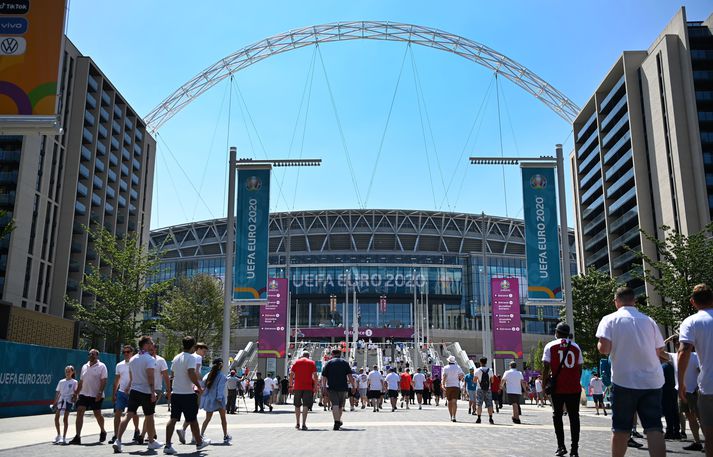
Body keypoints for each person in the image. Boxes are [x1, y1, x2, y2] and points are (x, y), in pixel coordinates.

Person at [597, 286, 666, 457]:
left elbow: (604, 349)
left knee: (621, 429)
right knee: (654, 428)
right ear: (634, 301)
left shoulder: (609, 319)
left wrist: (600, 344)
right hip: (652, 381)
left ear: (616, 302)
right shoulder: (649, 320)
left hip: (624, 381)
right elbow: (658, 351)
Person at [678, 283, 713, 457]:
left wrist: (681, 382)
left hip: (709, 386)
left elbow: (684, 351)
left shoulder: (691, 322)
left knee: (710, 439)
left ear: (693, 302)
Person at [112, 336, 162, 453]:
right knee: (149, 416)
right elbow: (150, 377)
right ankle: (151, 442)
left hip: (134, 391)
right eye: (150, 343)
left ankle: (118, 441)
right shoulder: (150, 359)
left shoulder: (133, 359)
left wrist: (131, 386)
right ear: (146, 344)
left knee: (128, 415)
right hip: (145, 391)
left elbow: (131, 376)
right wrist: (152, 392)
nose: (152, 344)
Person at [163, 336, 210, 454]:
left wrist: (171, 389)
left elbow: (172, 374)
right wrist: (199, 387)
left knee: (173, 419)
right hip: (188, 393)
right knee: (192, 419)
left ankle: (168, 445)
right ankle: (199, 443)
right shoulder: (191, 358)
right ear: (194, 346)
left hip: (176, 393)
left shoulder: (176, 357)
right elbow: (191, 373)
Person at [543, 322, 584, 457]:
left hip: (557, 388)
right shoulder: (576, 347)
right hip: (573, 388)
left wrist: (544, 385)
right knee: (574, 417)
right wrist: (575, 380)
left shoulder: (550, 346)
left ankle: (561, 446)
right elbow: (579, 368)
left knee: (557, 416)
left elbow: (546, 367)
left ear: (557, 332)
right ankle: (575, 449)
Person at [68, 348, 107, 445]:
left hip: (96, 395)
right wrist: (76, 393)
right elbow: (81, 382)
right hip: (84, 394)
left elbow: (103, 381)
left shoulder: (102, 366)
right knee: (80, 411)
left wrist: (99, 392)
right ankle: (77, 436)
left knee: (97, 414)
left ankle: (103, 430)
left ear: (97, 356)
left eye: (94, 354)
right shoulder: (84, 366)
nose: (91, 356)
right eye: (90, 354)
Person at [139, 344, 170, 444]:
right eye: (149, 349)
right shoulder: (144, 359)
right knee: (149, 413)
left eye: (152, 349)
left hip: (156, 390)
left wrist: (169, 390)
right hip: (143, 389)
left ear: (156, 349)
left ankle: (142, 435)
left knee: (149, 413)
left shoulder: (161, 360)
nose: (150, 350)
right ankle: (152, 433)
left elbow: (165, 376)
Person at [109, 345, 139, 445]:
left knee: (133, 413)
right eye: (124, 352)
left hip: (133, 392)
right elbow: (117, 380)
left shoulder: (135, 363)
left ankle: (136, 430)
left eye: (128, 352)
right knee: (117, 412)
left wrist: (130, 387)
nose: (126, 354)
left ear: (132, 353)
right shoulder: (119, 365)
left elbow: (135, 377)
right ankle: (116, 435)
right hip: (121, 392)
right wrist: (114, 393)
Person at [321, 348, 356, 430]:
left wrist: (323, 386)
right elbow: (350, 376)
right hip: (343, 387)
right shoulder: (345, 363)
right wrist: (353, 386)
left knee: (335, 404)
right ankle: (338, 420)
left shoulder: (328, 363)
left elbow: (324, 376)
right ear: (340, 354)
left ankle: (336, 421)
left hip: (332, 387)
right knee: (340, 405)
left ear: (332, 354)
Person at [200, 358, 230, 444]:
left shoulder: (208, 374)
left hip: (209, 399)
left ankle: (201, 435)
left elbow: (202, 384)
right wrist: (220, 398)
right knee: (223, 418)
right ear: (221, 365)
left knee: (207, 418)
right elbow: (220, 389)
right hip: (219, 400)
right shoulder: (222, 376)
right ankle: (225, 436)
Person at [290, 351, 318, 430]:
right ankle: (304, 424)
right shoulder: (312, 363)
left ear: (302, 356)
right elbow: (315, 376)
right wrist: (315, 386)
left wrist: (290, 385)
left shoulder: (296, 362)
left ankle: (297, 423)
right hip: (308, 387)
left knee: (297, 405)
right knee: (306, 405)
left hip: (297, 387)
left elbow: (291, 375)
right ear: (308, 356)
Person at [52, 365, 77, 444]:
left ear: (72, 372)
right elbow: (58, 392)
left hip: (68, 401)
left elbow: (76, 393)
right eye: (66, 371)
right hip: (60, 401)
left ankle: (64, 437)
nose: (67, 373)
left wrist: (74, 399)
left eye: (69, 371)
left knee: (65, 419)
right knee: (56, 418)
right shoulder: (61, 381)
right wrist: (55, 402)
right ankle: (58, 435)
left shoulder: (74, 382)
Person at [659, 351, 680, 439]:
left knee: (668, 413)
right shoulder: (672, 366)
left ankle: (670, 431)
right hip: (673, 391)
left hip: (665, 391)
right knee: (675, 411)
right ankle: (677, 432)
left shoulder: (663, 367)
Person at [442, 355, 464, 422]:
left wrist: (443, 384)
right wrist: (460, 379)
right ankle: (454, 416)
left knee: (449, 401)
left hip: (448, 386)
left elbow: (444, 376)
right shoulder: (458, 367)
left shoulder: (445, 368)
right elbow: (462, 376)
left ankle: (451, 416)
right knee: (454, 401)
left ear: (448, 361)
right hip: (456, 386)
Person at [473, 357, 495, 424]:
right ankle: (490, 418)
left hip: (480, 389)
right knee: (489, 404)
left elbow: (474, 380)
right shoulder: (490, 370)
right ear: (486, 362)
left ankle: (479, 418)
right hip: (488, 389)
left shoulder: (477, 370)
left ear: (480, 362)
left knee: (479, 403)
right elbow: (492, 381)